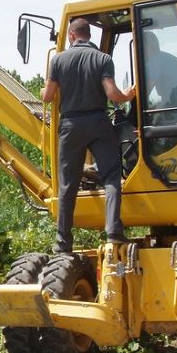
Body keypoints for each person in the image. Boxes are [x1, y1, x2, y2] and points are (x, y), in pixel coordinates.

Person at [42, 18, 137, 253]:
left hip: (71, 124)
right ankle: (113, 230)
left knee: (67, 185)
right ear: (89, 36)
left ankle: (63, 242)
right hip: (98, 122)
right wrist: (128, 95)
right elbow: (112, 94)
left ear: (71, 36)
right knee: (111, 177)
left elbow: (47, 96)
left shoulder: (58, 60)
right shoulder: (103, 59)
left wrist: (44, 89)